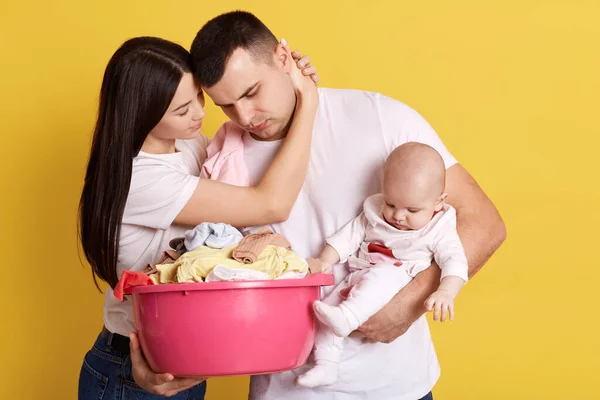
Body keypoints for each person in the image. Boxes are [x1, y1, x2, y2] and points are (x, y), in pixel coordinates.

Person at [162, 10, 504, 400]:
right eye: (226, 106)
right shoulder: (220, 158)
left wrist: (408, 304)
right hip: (282, 390)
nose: (245, 117)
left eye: (251, 93)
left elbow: (483, 222)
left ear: (283, 58)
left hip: (395, 387)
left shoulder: (378, 117)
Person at [77, 35, 319, 399]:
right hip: (134, 370)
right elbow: (269, 203)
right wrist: (309, 103)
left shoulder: (192, 146)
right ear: (142, 113)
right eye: (182, 109)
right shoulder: (140, 177)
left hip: (184, 362)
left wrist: (285, 86)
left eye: (198, 98)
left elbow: (266, 153)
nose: (201, 114)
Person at [296, 142, 469, 388]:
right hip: (359, 275)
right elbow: (349, 236)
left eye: (412, 209)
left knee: (381, 277)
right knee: (325, 312)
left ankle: (348, 316)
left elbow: (455, 260)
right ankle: (326, 364)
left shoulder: (439, 228)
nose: (398, 216)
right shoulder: (375, 212)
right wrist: (326, 260)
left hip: (396, 280)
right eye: (391, 204)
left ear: (439, 202)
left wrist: (446, 291)